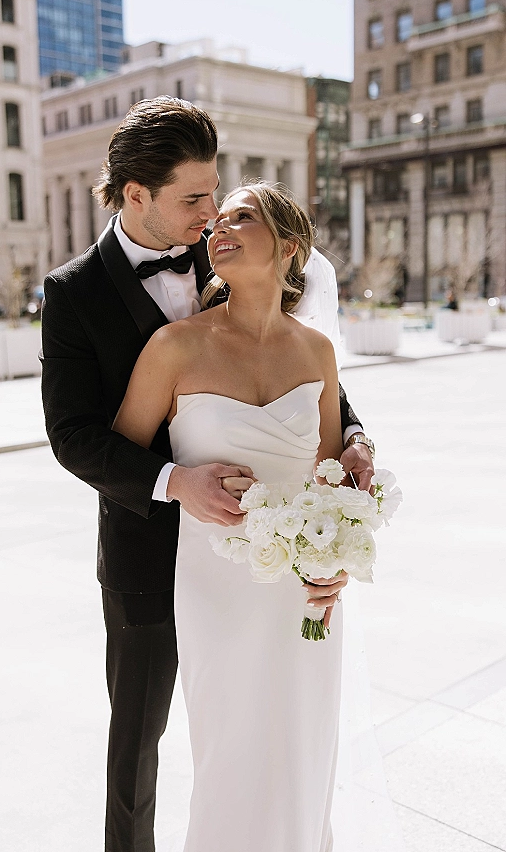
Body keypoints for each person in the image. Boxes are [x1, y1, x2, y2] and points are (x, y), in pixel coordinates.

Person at [40, 97, 375, 852]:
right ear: (136, 195)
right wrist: (174, 481)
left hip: (268, 559)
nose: (209, 214)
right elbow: (73, 437)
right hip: (147, 549)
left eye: (215, 195)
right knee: (138, 750)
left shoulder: (221, 249)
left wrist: (353, 439)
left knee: (279, 733)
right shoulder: (72, 294)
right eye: (194, 199)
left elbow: (310, 377)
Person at [113, 181, 345, 851]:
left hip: (304, 594)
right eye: (218, 218)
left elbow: (330, 480)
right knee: (230, 755)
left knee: (304, 747)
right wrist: (179, 482)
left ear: (290, 247)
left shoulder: (318, 354)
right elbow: (121, 461)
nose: (220, 225)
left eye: (244, 216)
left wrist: (337, 565)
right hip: (213, 584)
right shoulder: (175, 347)